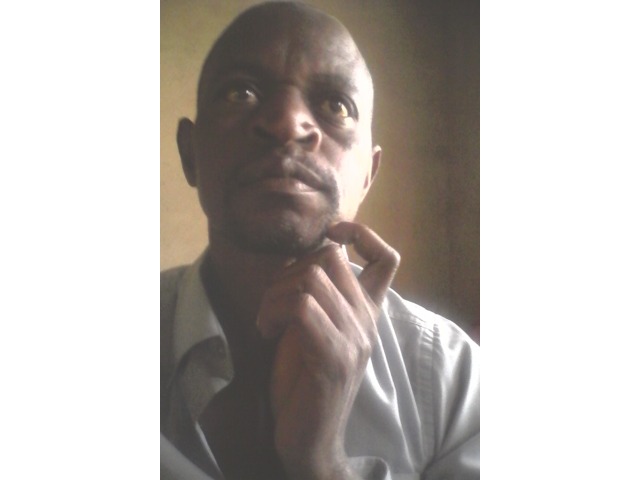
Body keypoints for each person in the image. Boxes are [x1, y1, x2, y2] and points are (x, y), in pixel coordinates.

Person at [160, 2, 479, 479]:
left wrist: (324, 464)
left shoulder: (453, 380)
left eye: (335, 105)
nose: (287, 122)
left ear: (368, 175)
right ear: (191, 153)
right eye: (241, 92)